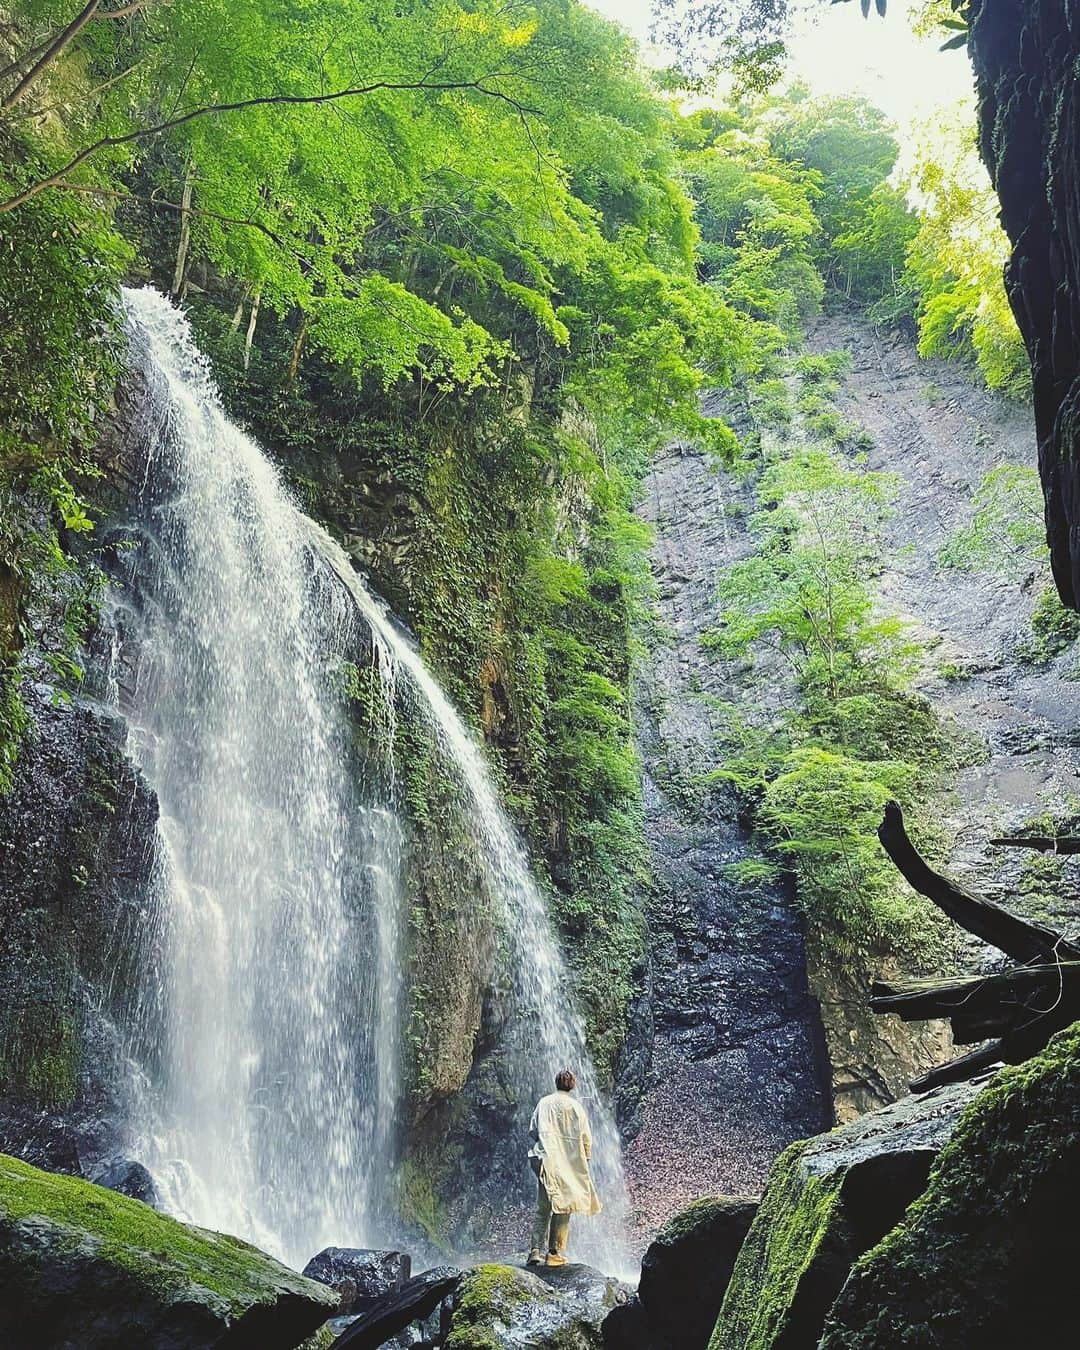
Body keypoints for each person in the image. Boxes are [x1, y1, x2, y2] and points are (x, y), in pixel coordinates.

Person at [526, 1068, 601, 1268]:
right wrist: (585, 1158)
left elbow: (533, 1130)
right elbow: (586, 1138)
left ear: (556, 1083)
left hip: (546, 1159)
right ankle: (554, 1252)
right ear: (572, 1085)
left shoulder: (544, 1103)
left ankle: (535, 1250)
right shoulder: (577, 1107)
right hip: (569, 1162)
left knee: (544, 1205)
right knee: (565, 1206)